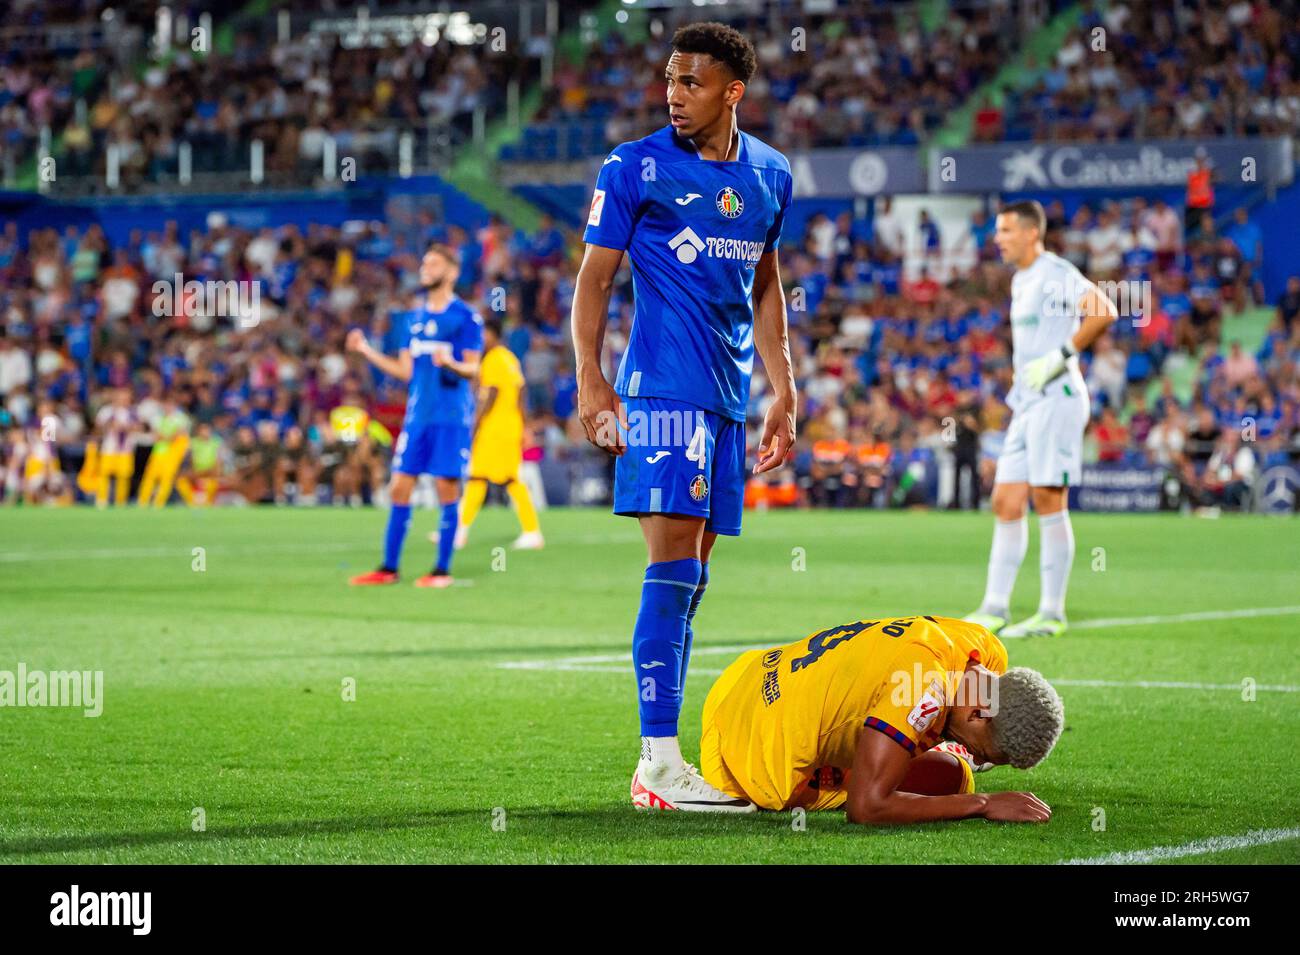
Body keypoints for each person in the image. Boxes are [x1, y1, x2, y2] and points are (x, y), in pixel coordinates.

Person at [572, 21, 797, 811]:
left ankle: (663, 757)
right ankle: (658, 762)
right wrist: (591, 381)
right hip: (662, 391)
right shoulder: (633, 165)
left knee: (694, 576)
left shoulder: (771, 172)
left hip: (730, 399)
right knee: (671, 569)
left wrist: (785, 388)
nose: (674, 94)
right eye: (670, 79)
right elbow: (594, 279)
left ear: (733, 91)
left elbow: (766, 283)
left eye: (691, 82)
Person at [699, 613, 1061, 823]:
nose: (981, 758)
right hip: (747, 748)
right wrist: (984, 804)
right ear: (980, 711)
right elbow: (867, 807)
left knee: (954, 773)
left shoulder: (983, 648)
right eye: (985, 752)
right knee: (951, 783)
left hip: (748, 674)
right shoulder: (923, 686)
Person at [964, 200, 1118, 638]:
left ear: (1032, 233)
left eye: (1006, 231)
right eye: (997, 231)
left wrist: (1061, 356)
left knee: (1049, 499)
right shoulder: (1021, 280)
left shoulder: (1055, 273)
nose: (998, 239)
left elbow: (1104, 310)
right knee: (1005, 501)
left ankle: (1052, 613)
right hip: (1028, 401)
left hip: (1059, 397)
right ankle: (995, 607)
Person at [347, 243, 483, 588]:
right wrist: (366, 351)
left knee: (446, 488)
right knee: (399, 487)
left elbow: (473, 367)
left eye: (434, 263)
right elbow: (405, 370)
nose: (426, 269)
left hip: (450, 416)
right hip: (418, 415)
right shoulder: (414, 317)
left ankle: (442, 571)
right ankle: (388, 568)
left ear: (451, 272)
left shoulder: (466, 317)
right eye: (424, 263)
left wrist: (451, 362)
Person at [457, 317, 543, 550]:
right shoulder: (508, 358)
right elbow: (521, 390)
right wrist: (524, 425)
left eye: (483, 334)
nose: (480, 339)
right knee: (478, 477)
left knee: (510, 479)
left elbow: (492, 393)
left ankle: (532, 531)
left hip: (496, 428)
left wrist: (476, 423)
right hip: (506, 427)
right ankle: (459, 531)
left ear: (493, 334)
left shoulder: (494, 359)